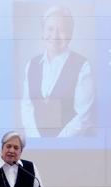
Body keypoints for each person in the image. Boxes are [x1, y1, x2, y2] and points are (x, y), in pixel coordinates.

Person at [20, 5, 95, 138]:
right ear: (43, 32)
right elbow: (27, 107)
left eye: (61, 30)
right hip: (36, 146)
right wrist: (37, 140)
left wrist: (57, 143)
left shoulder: (82, 65)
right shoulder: (31, 64)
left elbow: (83, 116)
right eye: (50, 29)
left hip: (70, 148)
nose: (55, 35)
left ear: (70, 34)